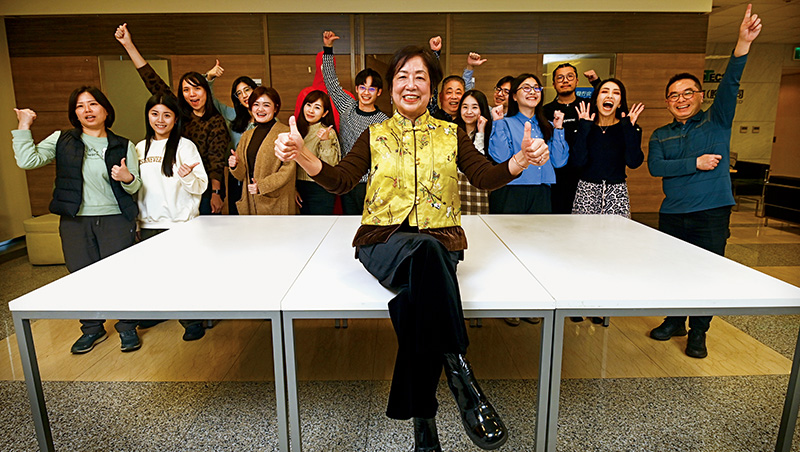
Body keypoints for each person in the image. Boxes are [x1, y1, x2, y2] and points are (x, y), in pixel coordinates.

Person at [275, 44, 551, 452]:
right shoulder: (375, 134)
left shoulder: (450, 133)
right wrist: (303, 156)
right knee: (425, 258)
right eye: (402, 76)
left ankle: (425, 430)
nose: (411, 84)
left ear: (432, 88)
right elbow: (343, 180)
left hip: (440, 243)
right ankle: (462, 377)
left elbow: (483, 176)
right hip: (382, 241)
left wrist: (520, 161)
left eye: (420, 76)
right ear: (390, 89)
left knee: (416, 303)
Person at [647, 4, 761, 359]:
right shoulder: (660, 133)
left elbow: (730, 83)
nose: (680, 99)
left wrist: (742, 44)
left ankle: (698, 332)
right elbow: (656, 167)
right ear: (667, 102)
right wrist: (695, 163)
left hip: (711, 212)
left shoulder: (716, 121)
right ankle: (674, 320)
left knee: (707, 273)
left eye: (688, 93)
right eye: (674, 95)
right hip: (673, 213)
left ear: (699, 96)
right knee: (673, 272)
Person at [12, 87, 143, 353]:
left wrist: (127, 177)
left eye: (93, 104)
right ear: (75, 113)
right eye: (80, 106)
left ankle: (127, 327)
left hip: (116, 219)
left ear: (105, 109)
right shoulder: (62, 140)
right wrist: (24, 125)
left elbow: (135, 184)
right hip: (75, 220)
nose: (87, 110)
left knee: (120, 276)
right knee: (81, 276)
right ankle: (92, 329)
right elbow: (28, 160)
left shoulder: (124, 144)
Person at [115, 23, 228, 216]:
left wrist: (216, 193)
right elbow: (151, 80)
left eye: (197, 88)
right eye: (186, 90)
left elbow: (216, 162)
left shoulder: (216, 121)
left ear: (206, 91)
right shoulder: (178, 113)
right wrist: (128, 45)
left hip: (205, 186)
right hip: (173, 184)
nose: (192, 94)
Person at [135, 93, 210, 341]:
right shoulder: (139, 148)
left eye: (167, 115)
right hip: (149, 222)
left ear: (175, 118)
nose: (160, 120)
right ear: (147, 116)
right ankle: (160, 311)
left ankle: (192, 320)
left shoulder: (185, 146)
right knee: (155, 274)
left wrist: (187, 175)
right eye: (155, 114)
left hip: (180, 223)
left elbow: (200, 186)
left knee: (183, 275)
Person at [321, 30, 389, 215]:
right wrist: (328, 49)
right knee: (349, 222)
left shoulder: (384, 121)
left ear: (379, 92)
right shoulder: (347, 106)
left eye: (372, 89)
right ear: (357, 89)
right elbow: (331, 83)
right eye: (362, 87)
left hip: (373, 182)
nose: (366, 92)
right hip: (348, 179)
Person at [488, 73, 568, 214]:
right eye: (526, 88)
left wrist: (558, 129)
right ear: (514, 96)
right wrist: (498, 122)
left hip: (541, 191)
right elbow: (501, 157)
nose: (532, 92)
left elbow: (559, 161)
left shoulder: (548, 126)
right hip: (511, 189)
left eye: (536, 88)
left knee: (539, 228)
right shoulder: (504, 123)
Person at [572, 78, 644, 217]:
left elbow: (634, 162)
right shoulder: (585, 127)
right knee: (583, 231)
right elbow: (578, 162)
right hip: (587, 191)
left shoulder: (628, 128)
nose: (610, 96)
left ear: (620, 103)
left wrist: (628, 128)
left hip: (616, 192)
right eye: (604, 91)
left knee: (617, 231)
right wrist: (583, 128)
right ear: (596, 99)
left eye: (616, 93)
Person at [543, 64, 600, 214]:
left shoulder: (588, 106)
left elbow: (609, 102)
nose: (565, 81)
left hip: (586, 175)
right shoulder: (545, 111)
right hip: (556, 177)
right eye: (560, 78)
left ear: (577, 81)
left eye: (570, 76)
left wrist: (596, 82)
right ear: (554, 84)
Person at [228, 86, 294, 215]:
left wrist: (262, 186)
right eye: (256, 104)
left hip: (277, 201)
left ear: (275, 108)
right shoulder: (247, 135)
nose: (260, 109)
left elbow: (288, 170)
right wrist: (235, 165)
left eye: (266, 105)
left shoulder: (286, 133)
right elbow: (241, 175)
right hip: (250, 201)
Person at [204, 61, 259, 214]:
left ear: (255, 90)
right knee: (238, 216)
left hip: (261, 176)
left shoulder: (269, 118)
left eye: (247, 90)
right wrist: (209, 77)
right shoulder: (233, 115)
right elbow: (211, 101)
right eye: (239, 93)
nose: (244, 95)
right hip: (237, 175)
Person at [295, 90, 340, 214]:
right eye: (308, 105)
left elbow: (330, 165)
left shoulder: (327, 132)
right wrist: (292, 188)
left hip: (320, 189)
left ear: (325, 113)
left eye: (317, 107)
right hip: (299, 186)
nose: (311, 110)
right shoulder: (297, 130)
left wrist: (325, 141)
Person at [455, 89, 493, 214]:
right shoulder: (452, 131)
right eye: (465, 107)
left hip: (478, 192)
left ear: (482, 109)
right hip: (455, 190)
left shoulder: (490, 134)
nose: (469, 112)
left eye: (475, 107)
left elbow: (476, 164)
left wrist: (481, 132)